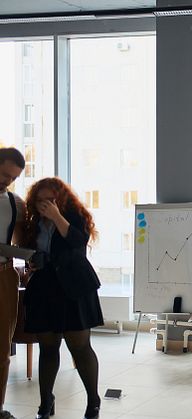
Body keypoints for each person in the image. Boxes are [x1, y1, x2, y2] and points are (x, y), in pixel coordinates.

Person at [20, 178, 104, 419]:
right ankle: (46, 402)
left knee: (79, 346)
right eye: (41, 200)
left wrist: (57, 216)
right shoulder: (32, 223)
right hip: (44, 289)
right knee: (48, 348)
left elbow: (78, 243)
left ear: (61, 199)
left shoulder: (76, 215)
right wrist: (31, 261)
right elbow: (28, 250)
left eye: (51, 200)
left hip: (74, 288)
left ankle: (93, 401)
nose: (45, 204)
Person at [0, 148, 26, 419]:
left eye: (13, 178)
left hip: (4, 275)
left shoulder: (15, 202)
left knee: (1, 347)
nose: (7, 181)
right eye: (5, 174)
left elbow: (21, 240)